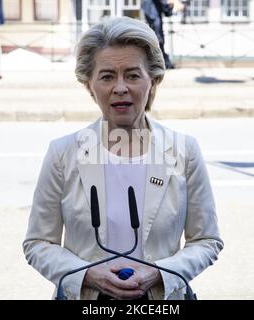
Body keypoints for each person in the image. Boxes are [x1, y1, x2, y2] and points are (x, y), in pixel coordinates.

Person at [23, 17, 223, 300]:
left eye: (132, 75)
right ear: (88, 85)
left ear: (152, 81)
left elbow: (206, 240)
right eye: (107, 76)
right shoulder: (63, 153)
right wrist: (87, 275)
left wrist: (160, 273)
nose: (120, 88)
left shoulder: (184, 150)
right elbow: (38, 243)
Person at [142, 0, 175, 69]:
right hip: (153, 14)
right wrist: (169, 4)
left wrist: (169, 5)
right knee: (158, 40)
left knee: (158, 39)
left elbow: (167, 11)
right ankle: (161, 63)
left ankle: (162, 63)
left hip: (152, 13)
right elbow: (166, 9)